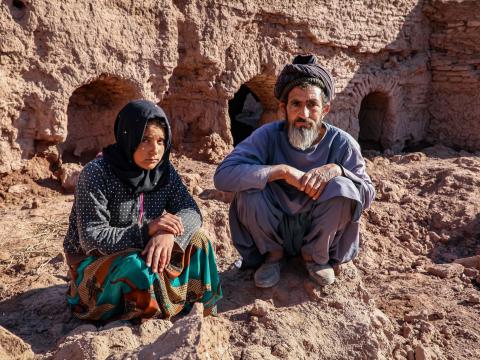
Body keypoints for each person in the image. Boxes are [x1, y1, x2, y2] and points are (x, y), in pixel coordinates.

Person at [214, 55, 375, 288]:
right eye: (296, 104)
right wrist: (281, 171)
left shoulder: (342, 143)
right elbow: (223, 176)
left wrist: (337, 170)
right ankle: (273, 257)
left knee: (344, 187)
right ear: (283, 108)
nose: (304, 114)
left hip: (319, 227)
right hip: (273, 225)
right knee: (250, 188)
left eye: (312, 105)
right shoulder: (267, 136)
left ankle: (315, 258)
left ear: (325, 109)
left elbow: (368, 193)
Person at [63, 99, 222, 322]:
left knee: (199, 241)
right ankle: (141, 318)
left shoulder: (163, 173)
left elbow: (191, 210)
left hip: (146, 251)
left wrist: (167, 233)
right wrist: (146, 231)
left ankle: (198, 313)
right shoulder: (97, 174)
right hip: (94, 265)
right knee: (136, 268)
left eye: (160, 141)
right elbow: (92, 239)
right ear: (128, 136)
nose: (154, 150)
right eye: (145, 139)